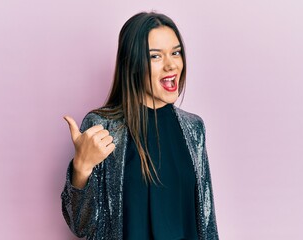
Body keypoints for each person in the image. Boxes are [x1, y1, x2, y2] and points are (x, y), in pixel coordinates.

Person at [61, 12, 219, 240]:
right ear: (133, 64)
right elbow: (82, 226)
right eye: (155, 56)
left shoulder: (194, 128)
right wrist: (81, 168)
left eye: (176, 52)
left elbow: (206, 220)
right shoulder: (103, 128)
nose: (171, 64)